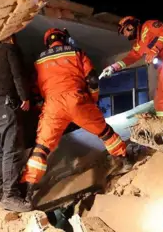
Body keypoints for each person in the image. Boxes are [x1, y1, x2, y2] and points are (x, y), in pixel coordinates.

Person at [21, 28, 131, 203]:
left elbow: (35, 90)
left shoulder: (39, 61)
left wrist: (43, 105)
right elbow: (93, 79)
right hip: (77, 100)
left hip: (53, 105)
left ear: (47, 41)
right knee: (105, 132)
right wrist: (92, 100)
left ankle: (27, 191)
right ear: (64, 38)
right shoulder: (76, 52)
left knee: (41, 148)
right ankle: (124, 161)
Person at [101, 17, 163, 119]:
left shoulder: (149, 25)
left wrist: (155, 49)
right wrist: (113, 67)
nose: (125, 35)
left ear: (131, 26)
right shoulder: (139, 43)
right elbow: (132, 57)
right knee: (159, 101)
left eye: (125, 31)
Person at [0, 34, 32, 212]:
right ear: (11, 39)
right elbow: (17, 75)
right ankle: (10, 196)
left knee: (0, 151)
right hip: (5, 106)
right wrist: (25, 98)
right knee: (11, 150)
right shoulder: (10, 51)